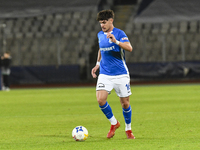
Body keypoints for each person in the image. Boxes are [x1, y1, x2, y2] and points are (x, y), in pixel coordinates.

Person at [91, 10, 135, 139]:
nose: (102, 25)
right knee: (100, 99)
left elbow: (129, 48)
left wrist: (115, 41)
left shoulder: (119, 33)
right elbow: (101, 49)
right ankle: (114, 123)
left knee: (125, 103)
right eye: (100, 23)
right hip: (105, 73)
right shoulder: (100, 34)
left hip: (121, 73)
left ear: (111, 20)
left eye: (104, 22)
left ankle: (128, 129)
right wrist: (97, 64)